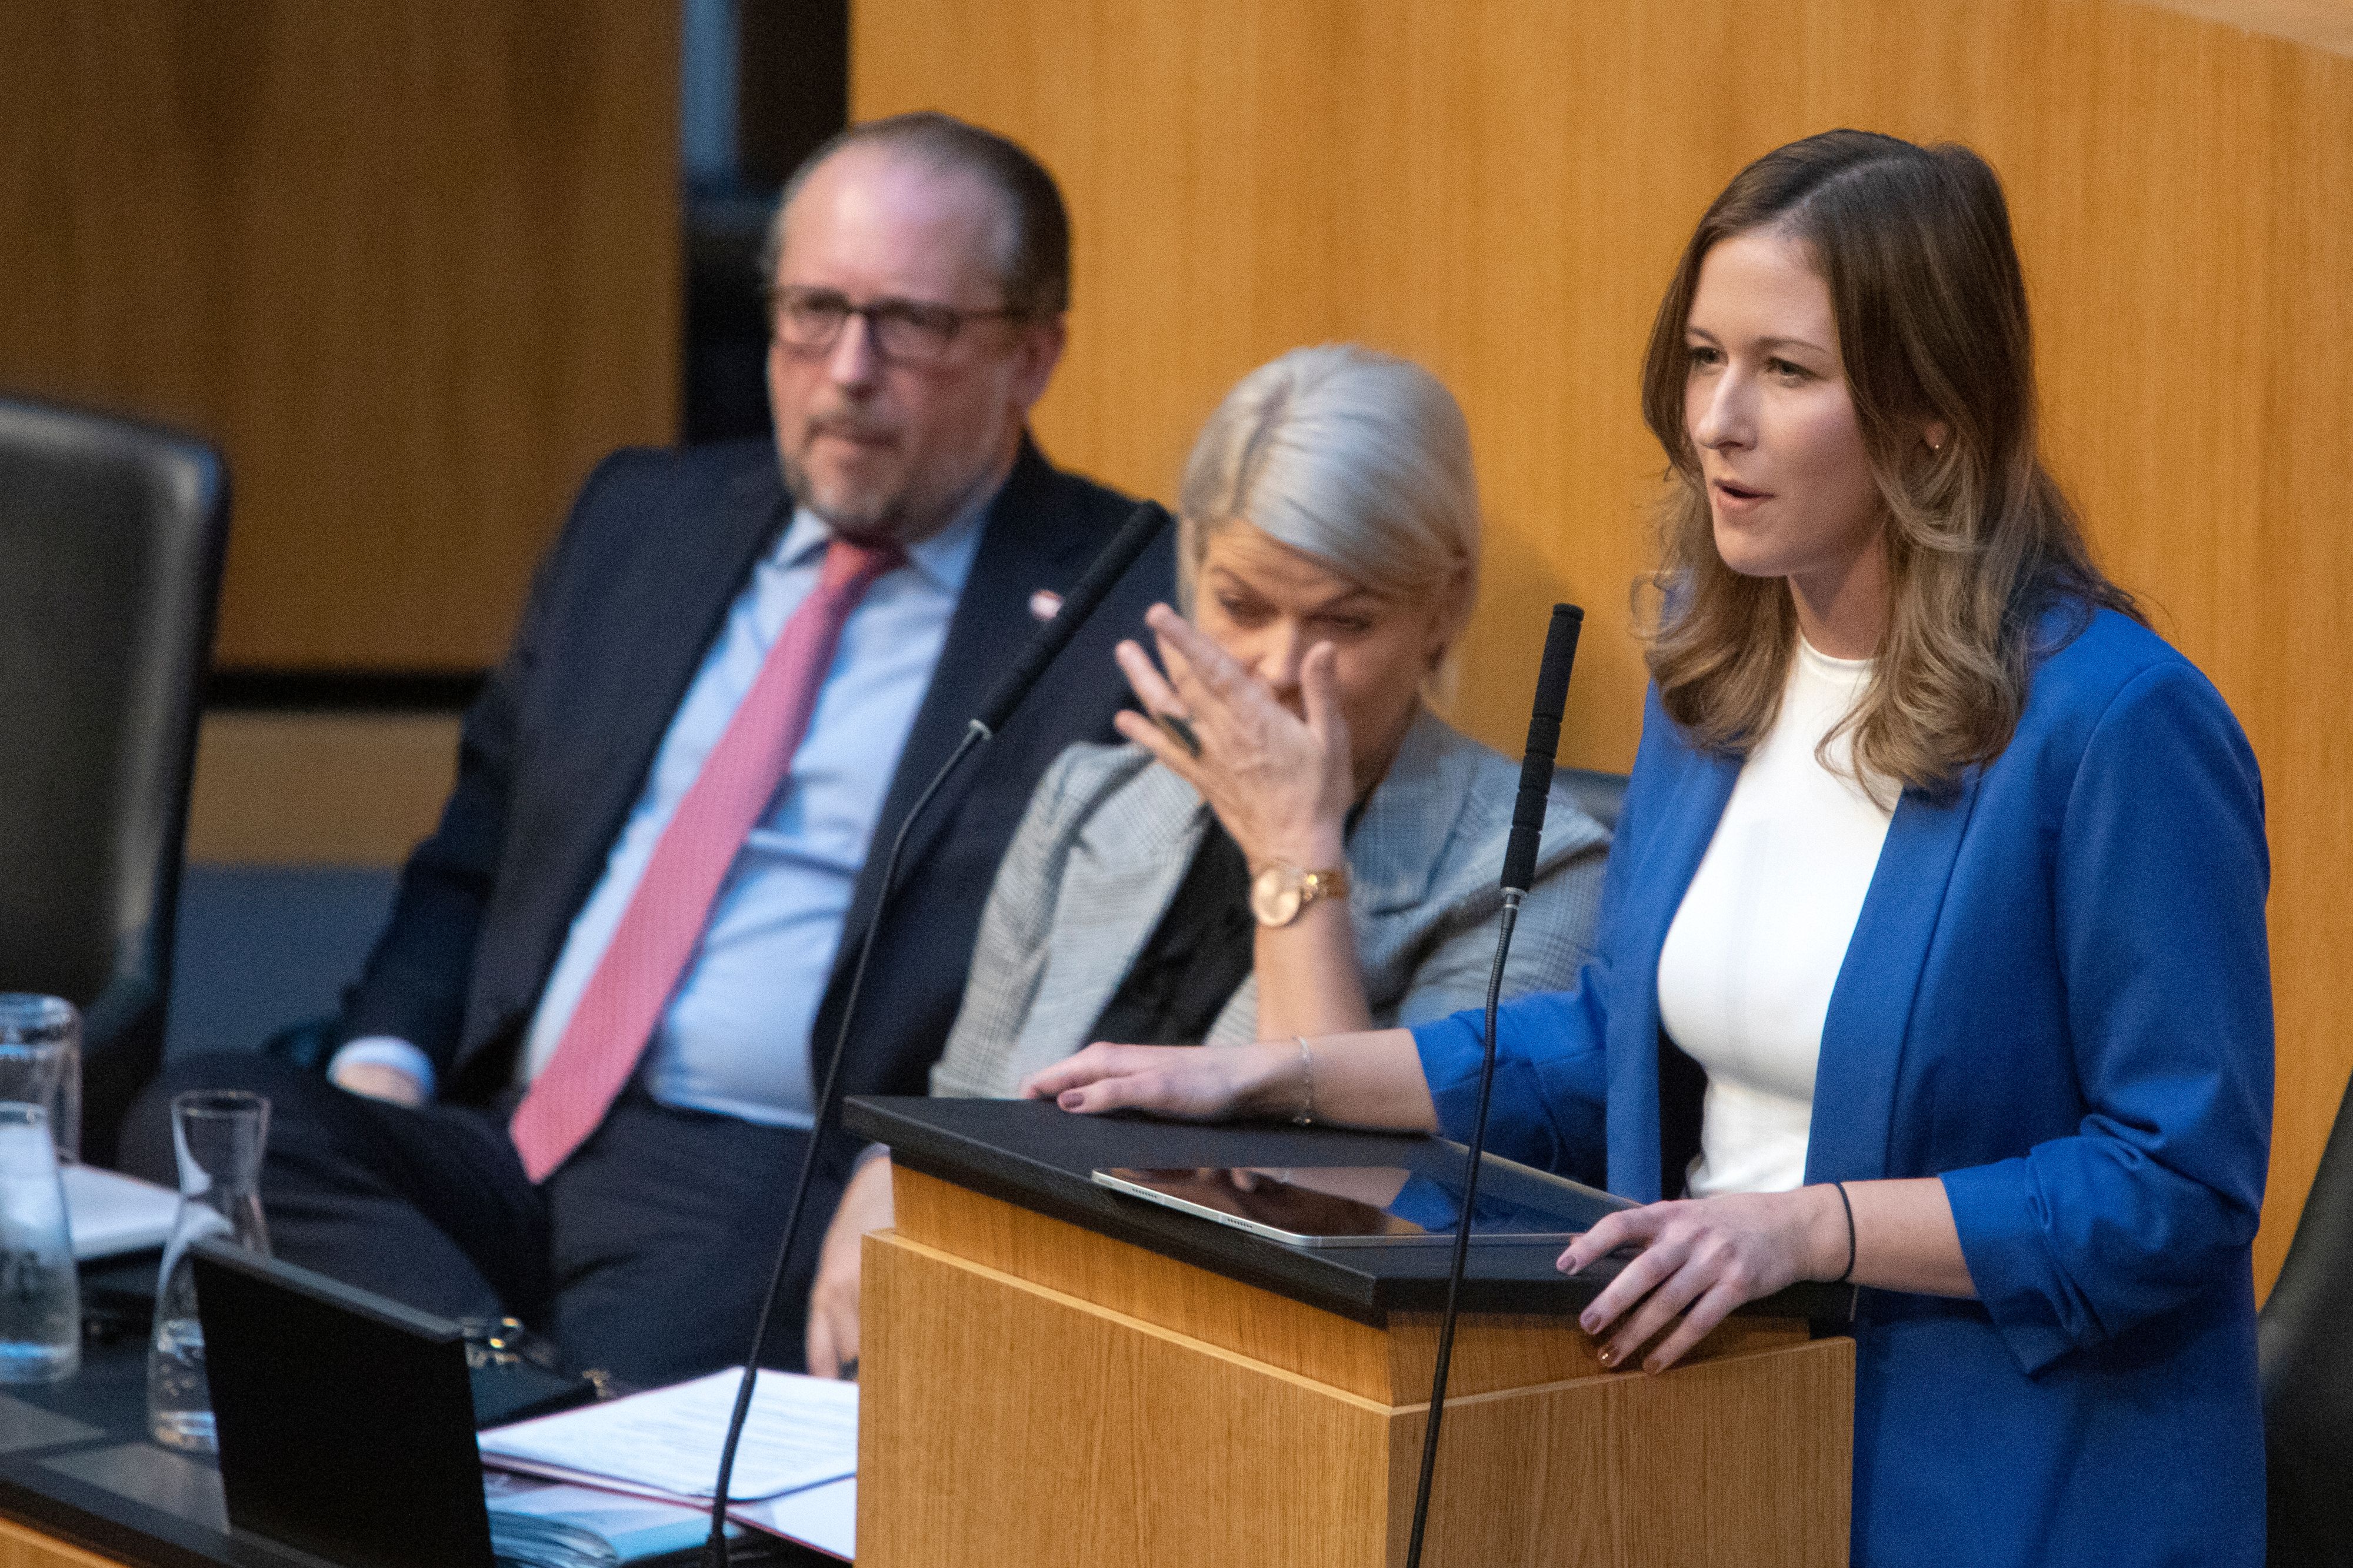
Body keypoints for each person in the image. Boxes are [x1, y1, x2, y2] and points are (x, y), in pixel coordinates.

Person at [1022, 132, 2271, 1566]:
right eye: (1700, 359)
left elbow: (2174, 1183)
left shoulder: (2113, 726)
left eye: (1784, 371)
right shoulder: (1716, 668)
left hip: (2000, 1480)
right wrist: (1279, 1080)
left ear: (1933, 415)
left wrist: (1806, 1228)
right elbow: (1610, 1048)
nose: (1717, 421)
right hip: (1705, 1437)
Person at [122, 112, 1175, 1387]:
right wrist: (384, 1075)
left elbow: (1127, 981)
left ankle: (489, 1397)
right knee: (206, 1122)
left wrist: (928, 1163)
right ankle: (521, 1397)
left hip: (768, 1175)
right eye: (814, 311)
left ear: (1030, 355)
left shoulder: (1124, 604)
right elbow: (475, 856)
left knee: (644, 1379)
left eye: (911, 324)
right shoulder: (642, 518)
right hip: (505, 1132)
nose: (848, 370)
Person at [801, 345, 1612, 1376]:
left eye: (1345, 620)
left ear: (1444, 609)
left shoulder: (1532, 873)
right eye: (1242, 606)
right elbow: (964, 1107)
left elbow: (1368, 1241)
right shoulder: (1092, 800)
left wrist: (1294, 851)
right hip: (998, 1347)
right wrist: (882, 1173)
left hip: (1262, 1385)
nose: (1281, 667)